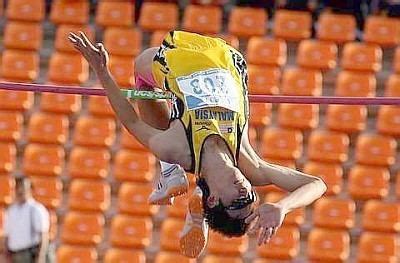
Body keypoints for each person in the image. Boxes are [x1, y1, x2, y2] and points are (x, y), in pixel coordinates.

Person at [68, 30, 327, 258]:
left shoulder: (175, 147)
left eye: (237, 203)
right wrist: (283, 206)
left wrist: (101, 70)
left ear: (215, 199)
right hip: (226, 57)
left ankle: (170, 171)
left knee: (141, 68)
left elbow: (132, 122)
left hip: (180, 56)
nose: (244, 192)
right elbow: (317, 184)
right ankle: (173, 176)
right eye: (251, 197)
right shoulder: (250, 164)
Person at [3, 177, 50, 263]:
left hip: (29, 254)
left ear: (30, 190)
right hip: (14, 255)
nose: (20, 191)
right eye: (18, 188)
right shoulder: (12, 210)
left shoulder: (36, 209)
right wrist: (6, 253)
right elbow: (7, 234)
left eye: (23, 188)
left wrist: (40, 257)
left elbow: (43, 235)